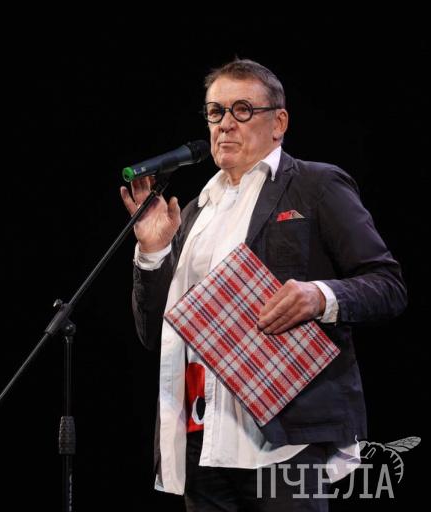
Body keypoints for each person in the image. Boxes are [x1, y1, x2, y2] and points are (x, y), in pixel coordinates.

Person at [120, 59, 407, 511]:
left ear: (279, 122)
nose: (225, 124)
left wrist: (320, 297)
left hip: (284, 438)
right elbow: (156, 333)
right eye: (216, 112)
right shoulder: (194, 212)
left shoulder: (315, 185)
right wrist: (153, 253)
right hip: (201, 438)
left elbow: (388, 285)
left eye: (242, 110)